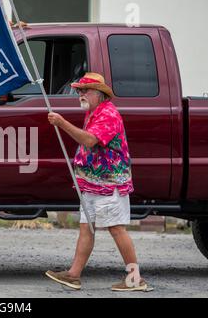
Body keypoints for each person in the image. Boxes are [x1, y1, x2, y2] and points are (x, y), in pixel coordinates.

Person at [45, 72, 149, 292]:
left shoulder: (108, 114)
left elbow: (90, 140)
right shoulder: (95, 112)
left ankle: (135, 279)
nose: (80, 94)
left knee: (116, 229)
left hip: (109, 184)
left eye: (85, 91)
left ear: (100, 94)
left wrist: (62, 123)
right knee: (87, 228)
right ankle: (74, 275)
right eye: (79, 91)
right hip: (93, 183)